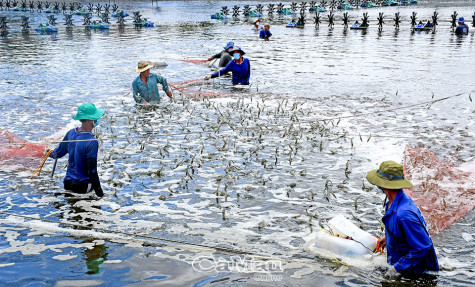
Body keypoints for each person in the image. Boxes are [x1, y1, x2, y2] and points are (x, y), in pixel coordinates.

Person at [366, 161, 439, 275]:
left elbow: (422, 247)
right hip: (403, 265)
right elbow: (403, 231)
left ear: (385, 185)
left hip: (417, 274)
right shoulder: (393, 203)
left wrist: (396, 269)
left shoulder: (405, 215)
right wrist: (389, 237)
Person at [49, 103, 105, 197]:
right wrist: (101, 194)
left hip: (67, 183)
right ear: (91, 120)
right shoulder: (92, 141)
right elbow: (92, 171)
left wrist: (47, 152)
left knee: (72, 209)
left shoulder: (71, 133)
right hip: (83, 186)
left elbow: (57, 154)